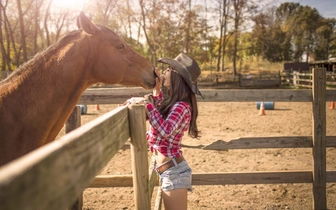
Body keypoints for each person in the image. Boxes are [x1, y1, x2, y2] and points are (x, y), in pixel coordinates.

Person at [138, 53, 203, 210]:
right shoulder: (176, 104)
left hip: (174, 173)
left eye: (168, 69)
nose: (164, 72)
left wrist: (146, 104)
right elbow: (159, 115)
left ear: (176, 77)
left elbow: (165, 130)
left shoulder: (181, 106)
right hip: (170, 171)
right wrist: (157, 90)